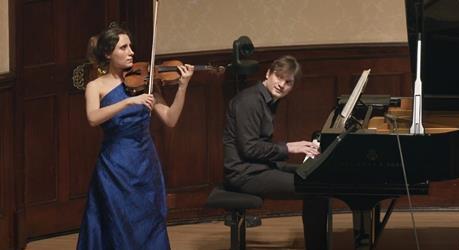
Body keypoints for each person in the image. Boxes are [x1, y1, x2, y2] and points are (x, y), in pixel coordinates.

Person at [76, 24, 194, 250]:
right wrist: (128, 101)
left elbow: (170, 119)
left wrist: (183, 87)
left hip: (146, 164)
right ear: (108, 53)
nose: (131, 52)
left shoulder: (145, 83)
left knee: (149, 223)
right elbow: (93, 118)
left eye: (131, 46)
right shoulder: (95, 86)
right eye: (123, 47)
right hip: (114, 166)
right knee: (117, 225)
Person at [223, 55, 329, 250]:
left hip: (259, 166)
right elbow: (249, 148)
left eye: (288, 82)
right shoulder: (249, 101)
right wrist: (289, 147)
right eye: (278, 77)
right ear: (268, 73)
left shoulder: (267, 98)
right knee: (315, 189)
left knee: (315, 176)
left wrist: (291, 150)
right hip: (244, 173)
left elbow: (258, 146)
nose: (281, 84)